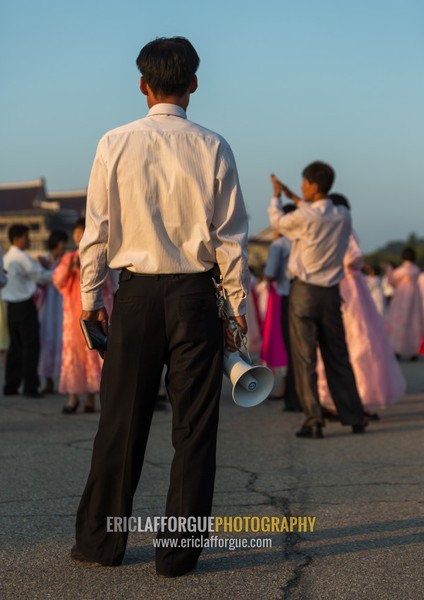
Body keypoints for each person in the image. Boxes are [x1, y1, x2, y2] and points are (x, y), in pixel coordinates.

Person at [71, 37, 249, 576]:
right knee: (194, 427)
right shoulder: (215, 146)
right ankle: (177, 556)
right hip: (196, 296)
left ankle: (103, 544)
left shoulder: (114, 142)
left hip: (136, 295)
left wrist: (88, 299)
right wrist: (235, 308)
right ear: (194, 83)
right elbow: (231, 238)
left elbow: (97, 231)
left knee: (121, 422)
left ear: (143, 85)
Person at [268, 163, 367, 439]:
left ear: (313, 185)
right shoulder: (343, 215)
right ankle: (354, 415)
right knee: (338, 355)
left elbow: (279, 222)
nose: (301, 188)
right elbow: (316, 210)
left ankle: (314, 420)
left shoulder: (304, 217)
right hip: (331, 292)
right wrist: (294, 196)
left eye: (303, 184)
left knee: (304, 358)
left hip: (304, 293)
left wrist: (277, 196)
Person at [316, 194, 406, 417]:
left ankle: (357, 399)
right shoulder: (339, 230)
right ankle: (337, 400)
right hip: (345, 287)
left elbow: (354, 258)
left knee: (357, 342)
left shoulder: (342, 229)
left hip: (349, 290)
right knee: (347, 342)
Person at [53, 219, 114, 414]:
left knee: (93, 353)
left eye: (82, 234)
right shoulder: (68, 258)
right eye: (76, 235)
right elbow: (58, 281)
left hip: (95, 312)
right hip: (73, 315)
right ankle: (73, 397)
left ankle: (90, 397)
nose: (78, 238)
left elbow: (109, 285)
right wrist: (70, 265)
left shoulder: (102, 255)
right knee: (73, 354)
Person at [2, 224, 51, 397]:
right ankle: (30, 387)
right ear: (18, 238)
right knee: (30, 346)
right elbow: (42, 277)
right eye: (26, 236)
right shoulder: (23, 257)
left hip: (10, 305)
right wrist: (53, 268)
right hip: (24, 305)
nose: (28, 239)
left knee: (15, 346)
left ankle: (11, 385)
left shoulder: (6, 257)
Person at [264, 203, 300, 410]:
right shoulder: (304, 238)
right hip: (305, 293)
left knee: (284, 344)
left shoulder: (280, 244)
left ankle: (287, 387)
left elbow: (269, 273)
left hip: (283, 295)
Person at [37, 230, 69, 393]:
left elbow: (66, 277)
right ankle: (48, 380)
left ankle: (62, 381)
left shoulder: (66, 261)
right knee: (47, 340)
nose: (62, 249)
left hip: (62, 306)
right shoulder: (45, 259)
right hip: (47, 306)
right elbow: (40, 277)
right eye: (60, 245)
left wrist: (50, 270)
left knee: (62, 342)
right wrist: (52, 271)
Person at [385, 247, 424, 360]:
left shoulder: (401, 270)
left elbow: (391, 280)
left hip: (401, 298)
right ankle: (414, 351)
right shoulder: (416, 269)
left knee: (399, 321)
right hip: (414, 299)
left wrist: (389, 270)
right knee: (414, 322)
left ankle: (397, 349)